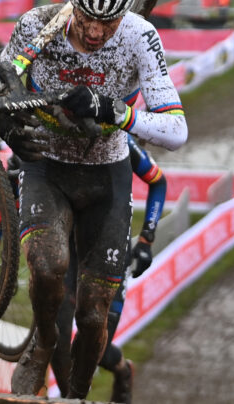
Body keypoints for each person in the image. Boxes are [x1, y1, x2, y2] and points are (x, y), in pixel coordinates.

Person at [0, 0, 187, 399]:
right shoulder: (37, 25)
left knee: (94, 317)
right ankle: (43, 343)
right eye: (87, 18)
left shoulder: (139, 36)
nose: (95, 32)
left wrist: (119, 113)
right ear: (72, 1)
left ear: (125, 15)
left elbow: (176, 128)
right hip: (47, 168)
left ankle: (76, 394)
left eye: (108, 22)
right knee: (47, 263)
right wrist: (11, 132)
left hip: (106, 175)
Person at [51, 135, 167, 404]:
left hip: (111, 253)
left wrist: (146, 240)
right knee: (55, 337)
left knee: (94, 349)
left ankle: (122, 370)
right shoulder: (56, 132)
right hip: (71, 252)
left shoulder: (117, 138)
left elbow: (158, 181)